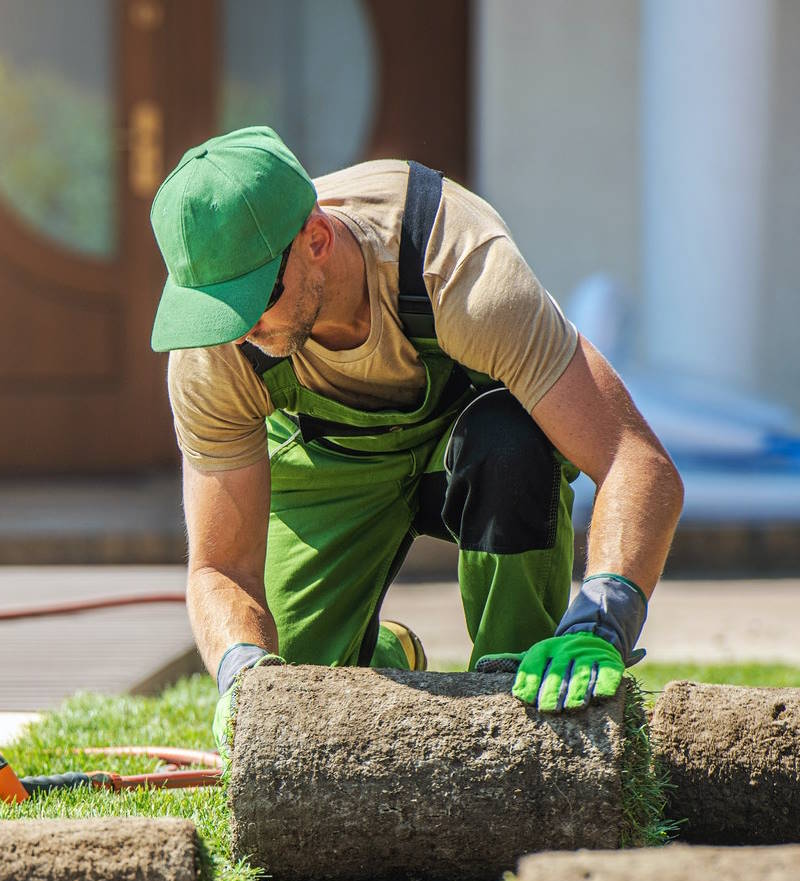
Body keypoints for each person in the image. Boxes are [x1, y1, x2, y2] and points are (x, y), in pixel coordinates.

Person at [149, 127, 683, 749]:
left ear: (317, 240)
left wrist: (604, 616)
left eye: (252, 302)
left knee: (510, 441)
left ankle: (517, 696)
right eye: (216, 311)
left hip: (469, 451)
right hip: (328, 461)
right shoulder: (213, 353)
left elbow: (633, 459)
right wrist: (242, 672)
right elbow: (220, 566)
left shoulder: (461, 270)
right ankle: (384, 651)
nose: (237, 332)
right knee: (292, 704)